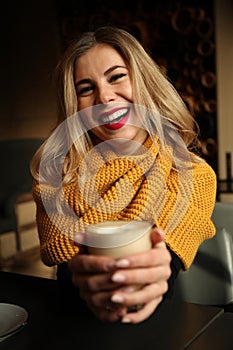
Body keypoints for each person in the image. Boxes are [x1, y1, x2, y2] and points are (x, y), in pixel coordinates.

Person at [30, 26, 216, 324]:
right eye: (86, 89)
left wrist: (146, 281)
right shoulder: (57, 178)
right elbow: (67, 275)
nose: (104, 97)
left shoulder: (192, 174)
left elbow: (164, 264)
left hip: (161, 329)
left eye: (116, 76)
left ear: (144, 82)